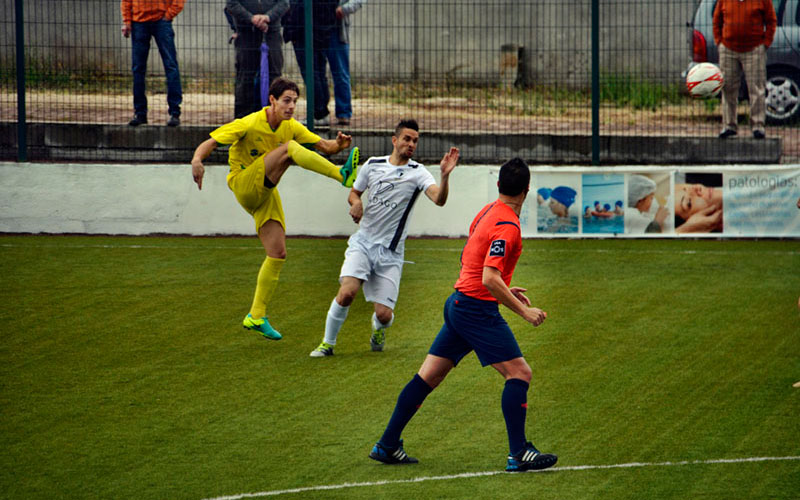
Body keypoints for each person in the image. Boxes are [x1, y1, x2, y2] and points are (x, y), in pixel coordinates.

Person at [368, 158, 558, 473]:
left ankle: (387, 444)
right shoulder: (508, 226)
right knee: (520, 374)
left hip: (459, 303)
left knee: (428, 376)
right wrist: (523, 310)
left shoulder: (487, 211)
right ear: (526, 191)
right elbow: (489, 278)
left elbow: (475, 259)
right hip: (475, 310)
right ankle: (519, 453)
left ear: (499, 186)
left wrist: (507, 291)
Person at [190, 78, 360, 340]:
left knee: (277, 253)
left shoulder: (291, 126)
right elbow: (210, 142)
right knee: (289, 150)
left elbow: (324, 147)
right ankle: (342, 175)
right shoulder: (249, 122)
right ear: (272, 100)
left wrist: (339, 144)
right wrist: (197, 160)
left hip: (264, 192)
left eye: (295, 101)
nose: (291, 106)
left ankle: (256, 316)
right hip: (244, 183)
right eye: (286, 100)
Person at [309, 119, 460, 357]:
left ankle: (378, 328)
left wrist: (445, 176)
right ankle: (327, 344)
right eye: (407, 139)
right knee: (347, 292)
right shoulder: (372, 165)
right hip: (363, 244)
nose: (411, 144)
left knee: (384, 315)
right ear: (395, 140)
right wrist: (357, 202)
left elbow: (439, 200)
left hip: (390, 254)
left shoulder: (418, 173)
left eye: (415, 141)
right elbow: (354, 193)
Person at [713, 0, 776, 139]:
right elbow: (717, 20)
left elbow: (771, 21)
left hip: (754, 49)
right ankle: (729, 126)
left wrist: (765, 44)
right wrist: (719, 42)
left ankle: (758, 126)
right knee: (728, 88)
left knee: (756, 89)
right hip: (728, 49)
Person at [121, 0, 184, 127]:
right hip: (139, 22)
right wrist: (127, 21)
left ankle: (174, 112)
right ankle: (140, 113)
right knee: (138, 68)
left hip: (161, 21)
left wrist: (168, 15)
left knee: (170, 66)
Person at [226, 0, 290, 119]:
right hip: (246, 34)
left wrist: (268, 17)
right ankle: (243, 121)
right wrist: (251, 19)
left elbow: (284, 3)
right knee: (245, 78)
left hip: (272, 34)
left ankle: (274, 116)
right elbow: (231, 4)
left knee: (274, 77)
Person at [283, 0, 338, 127]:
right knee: (318, 72)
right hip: (322, 32)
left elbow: (300, 8)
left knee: (311, 73)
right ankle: (321, 112)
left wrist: (291, 29)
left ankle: (319, 113)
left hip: (306, 33)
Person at [323, 0, 366, 126]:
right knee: (316, 73)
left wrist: (343, 9)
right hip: (317, 28)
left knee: (340, 73)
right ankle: (318, 112)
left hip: (337, 29)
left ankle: (343, 113)